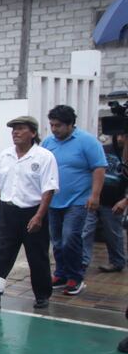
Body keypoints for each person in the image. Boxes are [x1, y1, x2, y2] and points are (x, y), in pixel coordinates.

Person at [0, 116, 58, 311]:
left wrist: (39, 216)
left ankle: (42, 295)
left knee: (37, 257)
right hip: (7, 211)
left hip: (32, 212)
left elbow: (48, 189)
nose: (15, 132)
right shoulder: (5, 155)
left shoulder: (44, 156)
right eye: (13, 129)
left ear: (32, 133)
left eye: (20, 129)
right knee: (1, 257)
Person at [41, 105, 107, 296]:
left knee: (70, 238)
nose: (54, 129)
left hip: (78, 201)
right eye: (52, 125)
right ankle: (61, 274)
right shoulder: (48, 143)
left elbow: (99, 168)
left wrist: (95, 196)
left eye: (58, 125)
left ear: (71, 124)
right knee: (57, 241)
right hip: (53, 200)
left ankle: (76, 277)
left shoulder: (87, 141)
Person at [81, 133, 128, 274]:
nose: (120, 138)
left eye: (124, 136)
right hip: (94, 197)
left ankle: (117, 262)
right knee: (86, 230)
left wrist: (125, 201)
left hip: (115, 201)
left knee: (113, 233)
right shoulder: (103, 149)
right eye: (119, 135)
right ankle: (82, 261)